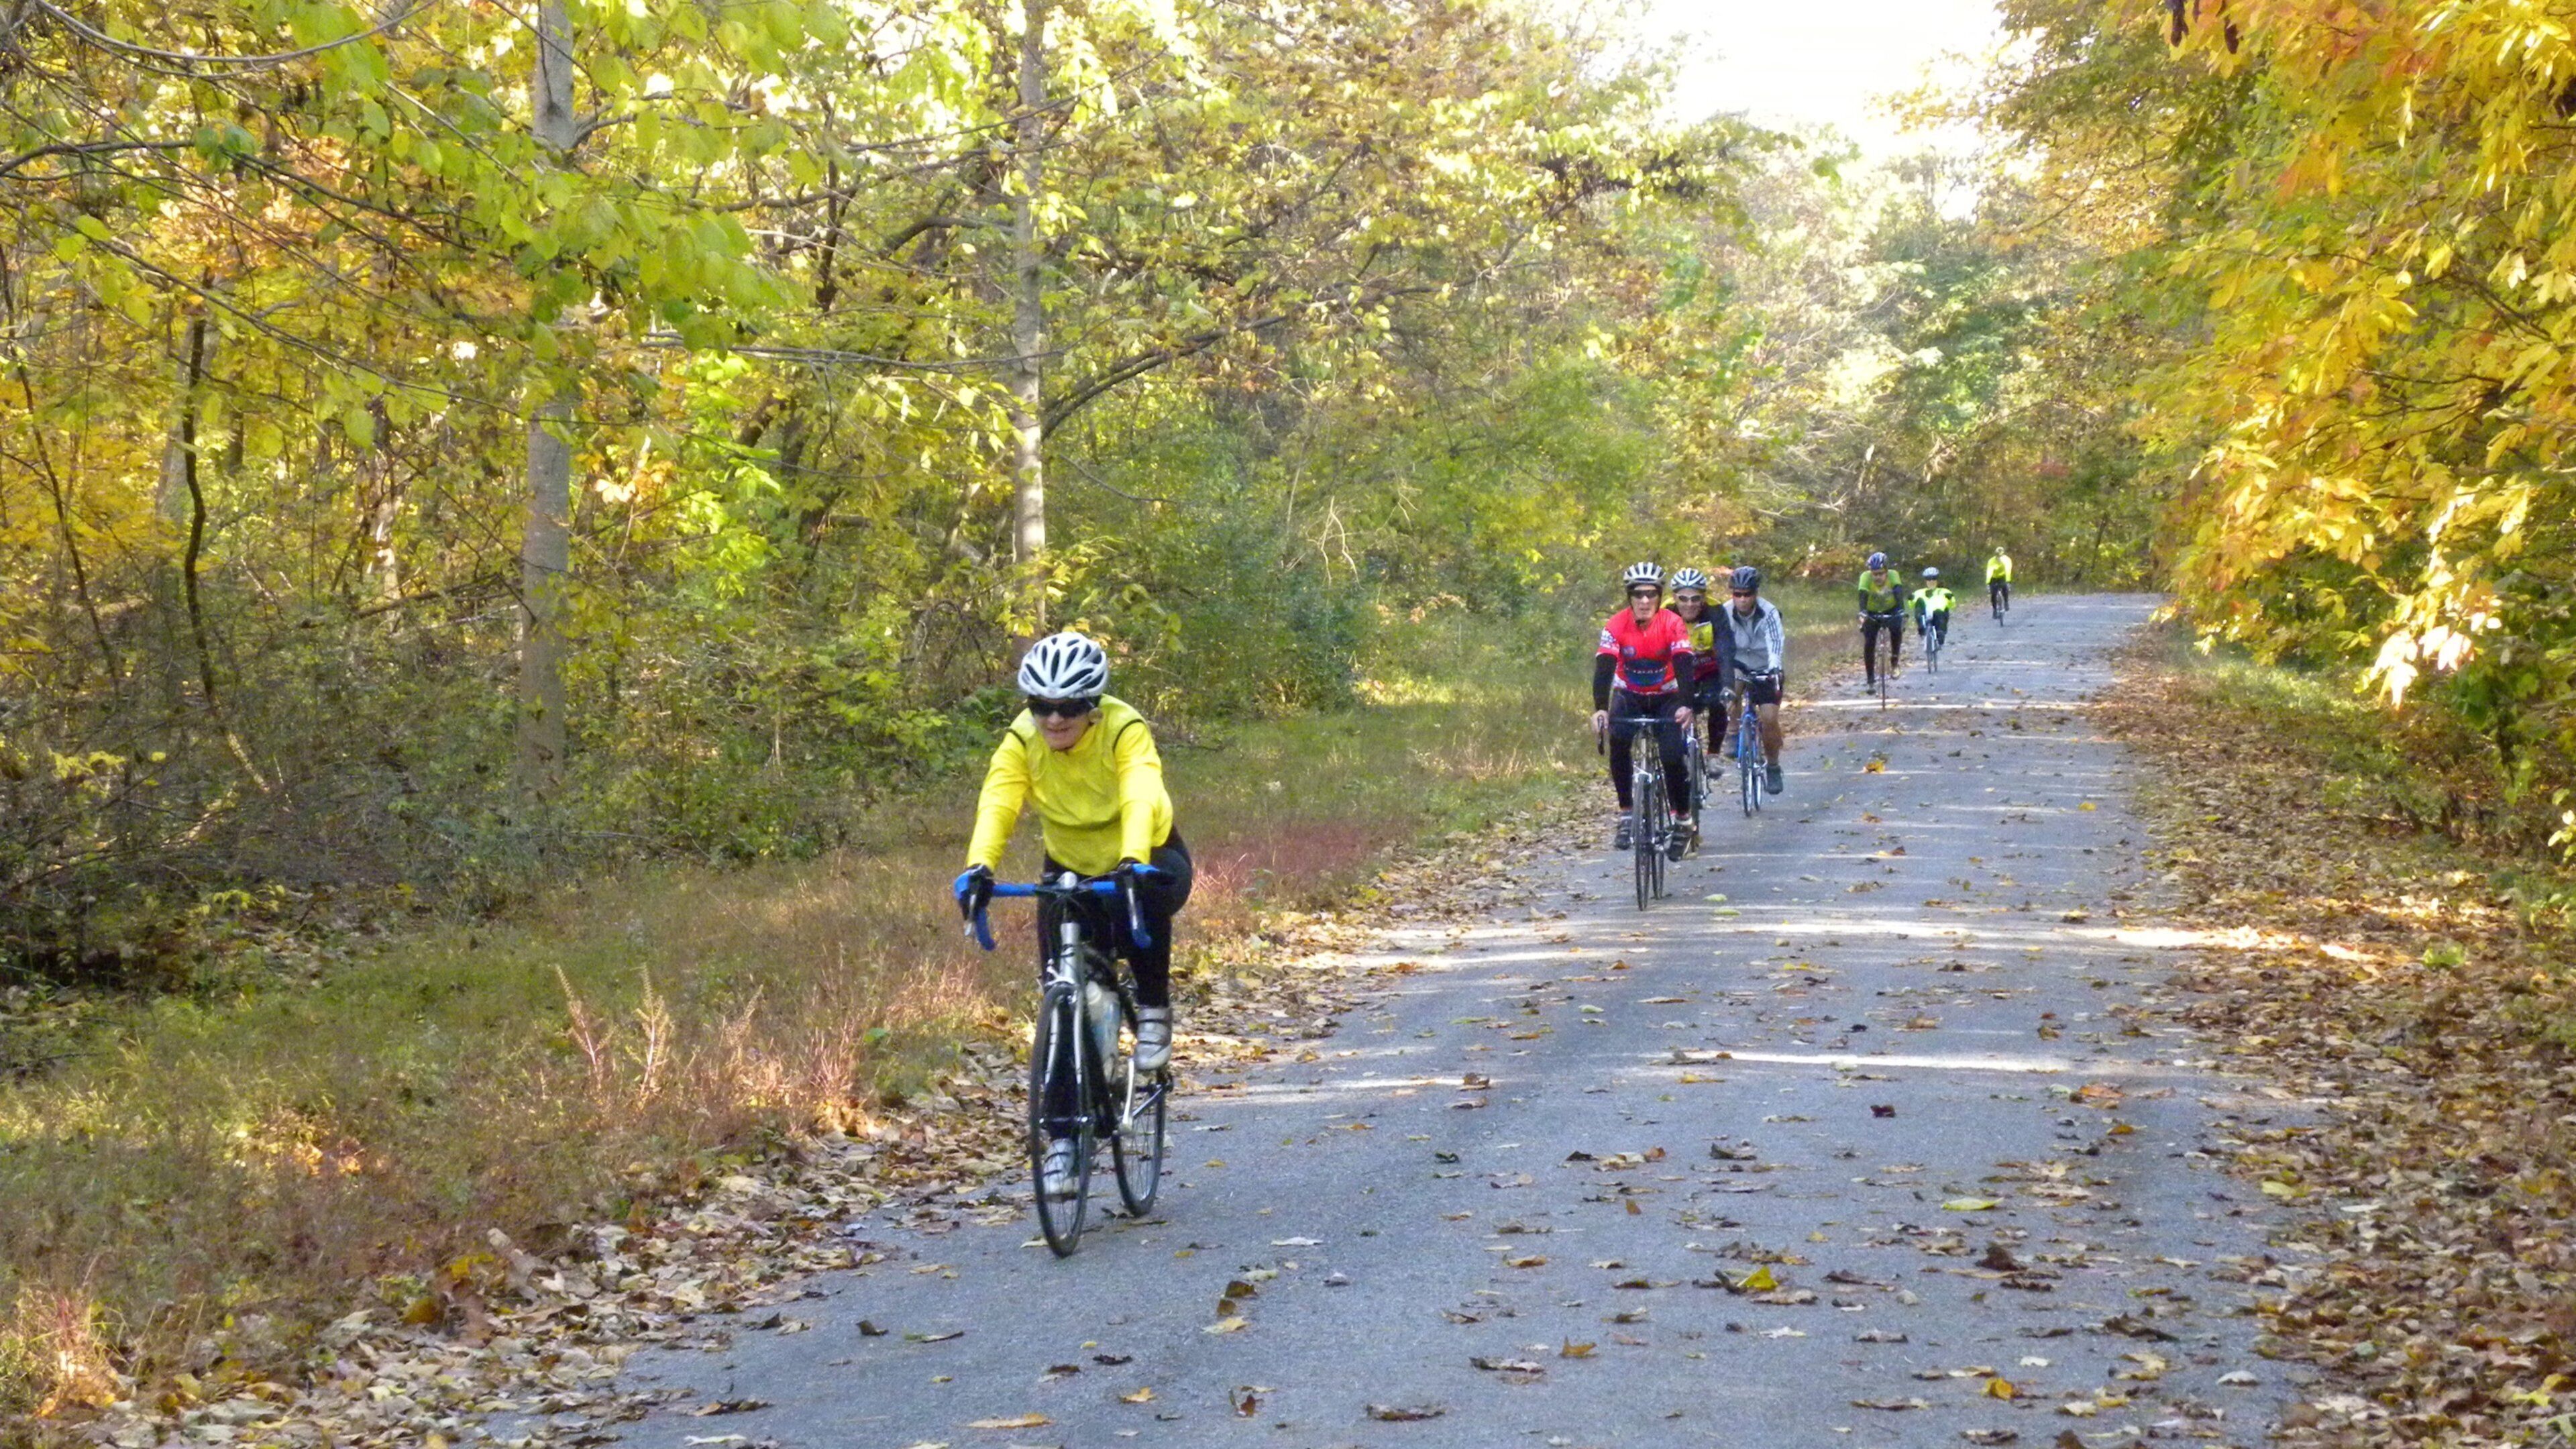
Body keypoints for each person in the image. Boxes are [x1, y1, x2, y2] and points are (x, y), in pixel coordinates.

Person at [953, 631, 1193, 1200]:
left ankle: (1154, 1007)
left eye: (1069, 708)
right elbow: (1000, 799)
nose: (1054, 720)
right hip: (1068, 864)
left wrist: (1133, 858)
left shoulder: (1124, 728)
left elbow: (1140, 790)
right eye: (1041, 707)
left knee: (1146, 898)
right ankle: (1063, 1143)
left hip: (1147, 853)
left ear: (1093, 707)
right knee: (1060, 1005)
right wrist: (979, 866)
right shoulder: (1021, 739)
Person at [1593, 562, 1695, 860]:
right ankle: (1626, 812)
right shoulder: (1615, 625)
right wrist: (1600, 709)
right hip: (1630, 695)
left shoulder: (1672, 623)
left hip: (1667, 696)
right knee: (1619, 742)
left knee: (1673, 756)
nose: (1645, 601)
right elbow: (1604, 669)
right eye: (1638, 594)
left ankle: (1683, 820)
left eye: (1651, 594)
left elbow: (1684, 664)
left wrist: (1687, 704)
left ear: (1660, 596)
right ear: (1629, 596)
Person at [1665, 568, 1733, 846]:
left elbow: (1727, 648)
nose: (1690, 605)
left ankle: (1713, 753)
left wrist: (1728, 685)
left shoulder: (1716, 613)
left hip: (1709, 673)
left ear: (1704, 599)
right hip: (1679, 678)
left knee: (1720, 701)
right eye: (1684, 599)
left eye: (1696, 599)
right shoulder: (1666, 614)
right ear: (1675, 598)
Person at [1721, 565, 1787, 796]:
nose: (1742, 600)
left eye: (1747, 594)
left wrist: (1774, 668)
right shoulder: (1725, 612)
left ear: (1755, 594)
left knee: (1769, 718)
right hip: (1738, 663)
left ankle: (1773, 766)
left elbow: (1775, 641)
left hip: (1764, 665)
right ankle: (1732, 730)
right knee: (1731, 689)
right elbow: (1722, 644)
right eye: (1737, 594)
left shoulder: (1769, 611)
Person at [1857, 551, 1908, 689]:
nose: (1877, 577)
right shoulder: (1865, 577)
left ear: (1886, 571)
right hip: (1871, 611)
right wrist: (1862, 612)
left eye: (1880, 573)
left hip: (1891, 609)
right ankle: (1870, 680)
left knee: (1897, 629)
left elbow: (1898, 592)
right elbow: (1862, 595)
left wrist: (1901, 611)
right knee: (1869, 643)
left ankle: (1895, 662)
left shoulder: (1893, 575)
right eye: (1874, 574)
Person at [1913, 567, 1954, 651]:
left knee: (1940, 614)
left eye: (1934, 579)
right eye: (1929, 579)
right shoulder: (1919, 592)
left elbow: (1952, 604)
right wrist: (1911, 599)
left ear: (1937, 580)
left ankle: (1940, 634)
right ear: (1926, 581)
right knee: (1919, 610)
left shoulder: (1944, 591)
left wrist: (1949, 599)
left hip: (1938, 613)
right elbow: (1913, 603)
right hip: (1925, 612)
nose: (1931, 581)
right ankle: (1922, 630)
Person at [1986, 547, 2014, 614]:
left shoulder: (2007, 560)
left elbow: (2008, 571)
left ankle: (2006, 602)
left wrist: (2008, 581)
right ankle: (1995, 610)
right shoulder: (1991, 561)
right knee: (1993, 594)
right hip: (1994, 578)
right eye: (1997, 556)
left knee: (2005, 588)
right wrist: (1988, 583)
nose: (1999, 558)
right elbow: (1989, 572)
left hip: (2003, 577)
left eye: (2000, 556)